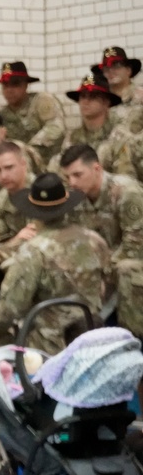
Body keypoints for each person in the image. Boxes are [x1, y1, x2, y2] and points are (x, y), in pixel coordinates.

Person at [0, 173, 111, 377]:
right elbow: (106, 285)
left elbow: (10, 310)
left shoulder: (33, 251)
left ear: (33, 213)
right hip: (91, 338)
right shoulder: (95, 241)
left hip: (47, 348)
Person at [60, 143, 143, 338]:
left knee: (126, 269)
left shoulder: (126, 193)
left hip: (132, 264)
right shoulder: (76, 196)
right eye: (68, 177)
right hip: (102, 265)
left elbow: (135, 247)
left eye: (77, 175)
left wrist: (100, 272)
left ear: (97, 169)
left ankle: (133, 337)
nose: (72, 182)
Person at [51, 70, 135, 175]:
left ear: (106, 102)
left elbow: (125, 177)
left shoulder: (119, 135)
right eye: (82, 96)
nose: (86, 101)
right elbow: (63, 170)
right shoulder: (73, 137)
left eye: (93, 96)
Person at [0, 61, 66, 165]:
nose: (9, 90)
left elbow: (56, 127)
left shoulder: (42, 101)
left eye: (15, 84)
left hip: (49, 165)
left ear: (26, 85)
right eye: (5, 85)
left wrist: (27, 149)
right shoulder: (2, 115)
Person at [0, 141, 37, 268]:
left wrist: (6, 246)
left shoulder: (43, 193)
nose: (4, 176)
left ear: (23, 164)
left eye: (9, 167)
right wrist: (16, 240)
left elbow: (34, 243)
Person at [96, 46, 143, 133]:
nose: (110, 71)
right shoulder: (101, 101)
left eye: (116, 66)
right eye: (106, 68)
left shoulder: (140, 97)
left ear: (128, 70)